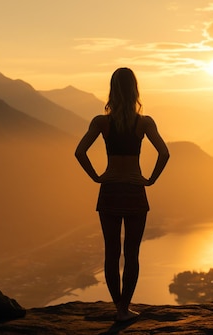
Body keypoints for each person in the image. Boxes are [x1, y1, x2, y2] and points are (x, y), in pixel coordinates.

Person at [75, 67, 170, 322]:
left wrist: (96, 176)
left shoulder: (101, 122)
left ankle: (118, 307)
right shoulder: (145, 123)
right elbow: (164, 153)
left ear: (112, 90)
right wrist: (150, 179)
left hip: (109, 191)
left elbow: (79, 152)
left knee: (111, 252)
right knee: (132, 253)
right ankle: (125, 308)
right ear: (134, 91)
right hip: (135, 191)